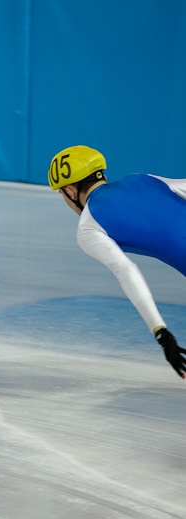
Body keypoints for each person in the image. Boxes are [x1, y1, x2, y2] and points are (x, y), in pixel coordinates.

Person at [48, 145, 186, 378]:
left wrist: (160, 331)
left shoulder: (88, 226)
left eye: (62, 195)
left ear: (71, 191)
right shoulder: (142, 179)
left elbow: (126, 270)